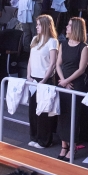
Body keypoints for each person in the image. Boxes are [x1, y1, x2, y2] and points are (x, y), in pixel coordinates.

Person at [55, 17, 88, 162]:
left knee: (73, 116)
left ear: (76, 28)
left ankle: (72, 146)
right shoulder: (63, 44)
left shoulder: (84, 47)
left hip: (76, 84)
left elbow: (82, 69)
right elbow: (58, 64)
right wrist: (63, 81)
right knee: (62, 115)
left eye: (69, 26)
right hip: (63, 82)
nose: (67, 28)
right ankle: (64, 145)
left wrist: (67, 81)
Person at [26, 15, 59, 149]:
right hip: (33, 78)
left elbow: (52, 63)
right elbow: (30, 59)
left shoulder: (52, 41)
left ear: (45, 26)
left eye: (39, 25)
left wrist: (44, 80)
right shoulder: (35, 39)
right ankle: (34, 136)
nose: (37, 27)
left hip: (44, 79)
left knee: (44, 112)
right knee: (33, 110)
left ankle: (45, 140)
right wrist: (28, 75)